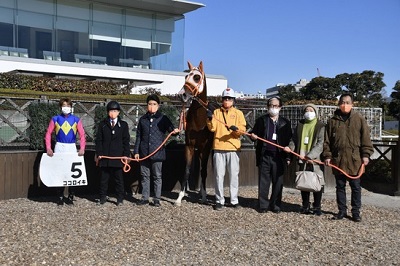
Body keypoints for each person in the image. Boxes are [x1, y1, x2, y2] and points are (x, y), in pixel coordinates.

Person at [323, 93, 374, 222]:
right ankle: (341, 210)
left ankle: (356, 212)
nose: (344, 105)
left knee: (355, 187)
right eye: (342, 102)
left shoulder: (359, 119)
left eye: (347, 102)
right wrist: (327, 155)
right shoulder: (332, 120)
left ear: (352, 104)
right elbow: (327, 141)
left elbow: (366, 139)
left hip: (355, 160)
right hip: (338, 159)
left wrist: (366, 154)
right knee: (340, 186)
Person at [133, 94, 179, 207]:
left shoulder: (163, 118)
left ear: (158, 106)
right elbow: (138, 136)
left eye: (154, 104)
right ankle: (144, 197)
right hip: (144, 152)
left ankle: (156, 198)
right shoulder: (143, 120)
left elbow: (171, 130)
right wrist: (136, 151)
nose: (152, 106)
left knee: (157, 176)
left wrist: (176, 131)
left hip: (157, 152)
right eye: (149, 104)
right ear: (147, 105)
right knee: (145, 176)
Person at [206, 88, 246, 210]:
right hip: (218, 147)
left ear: (233, 100)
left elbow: (242, 130)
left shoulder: (238, 113)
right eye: (225, 98)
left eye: (229, 98)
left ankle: (234, 200)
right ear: (222, 100)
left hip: (233, 148)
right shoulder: (217, 112)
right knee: (219, 175)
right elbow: (212, 128)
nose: (227, 100)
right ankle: (219, 200)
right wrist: (209, 119)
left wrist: (236, 130)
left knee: (234, 175)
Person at [250, 97, 292, 213]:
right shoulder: (262, 120)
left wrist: (288, 156)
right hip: (265, 155)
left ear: (280, 107)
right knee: (264, 182)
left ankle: (275, 205)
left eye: (276, 106)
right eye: (271, 105)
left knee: (278, 182)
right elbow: (253, 134)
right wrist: (252, 136)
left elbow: (290, 141)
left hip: (279, 157)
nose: (273, 108)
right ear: (268, 107)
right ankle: (263, 205)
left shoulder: (285, 123)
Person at [284, 104, 325, 215]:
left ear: (315, 112)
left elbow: (321, 143)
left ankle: (317, 206)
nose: (308, 112)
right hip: (302, 156)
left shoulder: (321, 126)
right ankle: (305, 205)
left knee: (317, 182)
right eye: (306, 110)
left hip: (315, 158)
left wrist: (311, 156)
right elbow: (294, 140)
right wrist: (290, 148)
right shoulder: (300, 124)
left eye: (311, 110)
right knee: (304, 181)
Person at [45, 98, 86, 205]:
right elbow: (48, 134)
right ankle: (60, 196)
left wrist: (82, 148)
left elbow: (82, 135)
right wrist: (49, 148)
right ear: (60, 107)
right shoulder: (55, 119)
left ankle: (71, 195)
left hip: (72, 147)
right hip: (59, 146)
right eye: (64, 105)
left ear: (71, 107)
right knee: (60, 171)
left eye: (68, 106)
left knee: (72, 172)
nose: (66, 108)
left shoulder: (76, 119)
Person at [95, 101, 130, 206]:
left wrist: (126, 154)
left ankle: (120, 198)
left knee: (119, 179)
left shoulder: (123, 125)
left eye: (115, 111)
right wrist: (99, 153)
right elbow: (99, 140)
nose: (113, 113)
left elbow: (126, 141)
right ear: (107, 112)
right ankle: (102, 197)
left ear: (118, 112)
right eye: (111, 111)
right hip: (105, 156)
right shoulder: (103, 124)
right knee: (104, 179)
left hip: (118, 157)